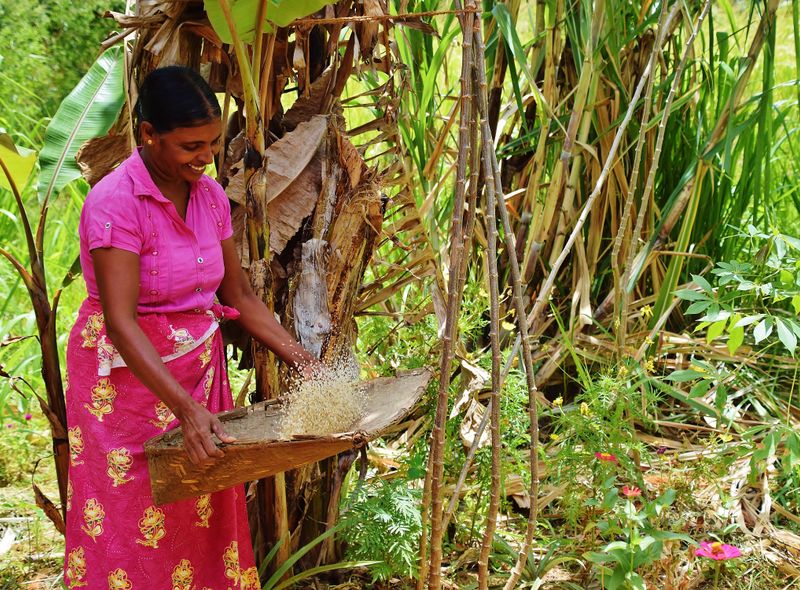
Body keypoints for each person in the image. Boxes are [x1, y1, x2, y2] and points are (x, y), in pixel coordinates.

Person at [63, 66, 314, 589]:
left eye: (214, 144)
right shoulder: (115, 204)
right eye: (191, 146)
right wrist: (185, 409)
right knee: (130, 516)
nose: (207, 157)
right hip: (123, 386)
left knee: (200, 509)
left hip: (196, 375)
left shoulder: (210, 198)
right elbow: (120, 320)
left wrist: (305, 362)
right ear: (148, 134)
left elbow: (239, 295)